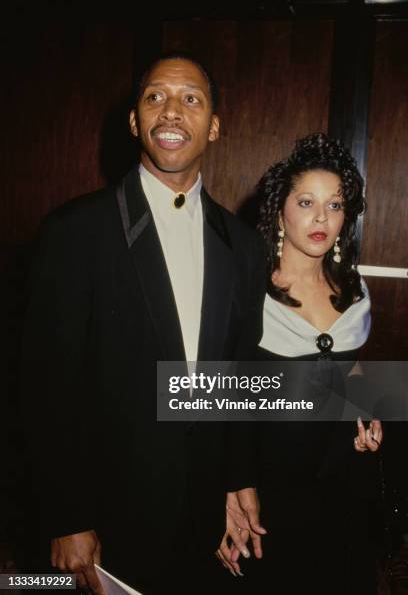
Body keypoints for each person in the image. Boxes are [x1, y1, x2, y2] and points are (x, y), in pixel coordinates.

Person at [20, 53, 267, 595]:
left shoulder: (245, 246)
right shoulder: (73, 232)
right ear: (134, 121)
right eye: (155, 97)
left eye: (191, 100)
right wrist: (66, 516)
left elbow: (237, 374)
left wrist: (235, 480)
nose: (172, 112)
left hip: (203, 517)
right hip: (106, 519)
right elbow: (44, 390)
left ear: (215, 127)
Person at [217, 133, 383, 594]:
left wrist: (367, 414)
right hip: (269, 490)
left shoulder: (355, 289)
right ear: (278, 210)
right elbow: (223, 400)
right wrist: (232, 485)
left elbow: (351, 377)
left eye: (335, 205)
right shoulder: (248, 291)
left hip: (339, 485)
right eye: (307, 201)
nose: (321, 218)